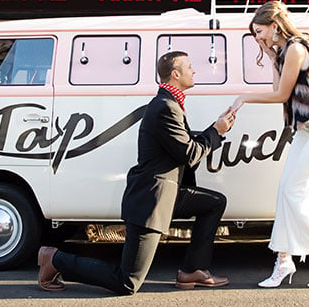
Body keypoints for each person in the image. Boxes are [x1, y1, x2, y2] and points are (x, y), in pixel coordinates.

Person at [37, 51, 235, 295]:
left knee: (214, 203)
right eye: (190, 67)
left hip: (168, 193)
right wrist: (216, 131)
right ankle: (55, 260)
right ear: (175, 74)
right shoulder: (165, 108)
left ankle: (193, 270)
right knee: (127, 282)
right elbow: (189, 154)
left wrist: (216, 129)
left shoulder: (170, 104)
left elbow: (183, 145)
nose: (195, 71)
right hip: (151, 200)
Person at [231, 0, 309, 288]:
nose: (258, 38)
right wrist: (271, 57)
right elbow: (278, 88)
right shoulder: (284, 51)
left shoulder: (296, 47)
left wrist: (243, 97)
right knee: (285, 190)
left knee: (295, 193)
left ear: (274, 25)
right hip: (307, 130)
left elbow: (281, 95)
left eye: (259, 31)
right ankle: (283, 261)